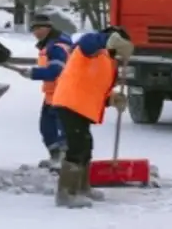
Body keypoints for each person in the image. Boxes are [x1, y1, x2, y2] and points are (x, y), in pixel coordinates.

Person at [50, 27, 133, 208]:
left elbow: (96, 87)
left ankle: (82, 188)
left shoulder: (109, 61)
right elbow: (88, 42)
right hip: (70, 102)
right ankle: (66, 193)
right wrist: (109, 38)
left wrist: (113, 99)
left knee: (86, 146)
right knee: (77, 147)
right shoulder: (92, 49)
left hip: (82, 106)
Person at [11, 14, 73, 170]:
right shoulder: (48, 45)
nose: (36, 32)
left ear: (49, 28)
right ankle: (55, 156)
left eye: (40, 28)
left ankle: (65, 159)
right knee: (47, 128)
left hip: (64, 94)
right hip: (52, 94)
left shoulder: (58, 47)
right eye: (34, 29)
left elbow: (55, 71)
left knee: (63, 128)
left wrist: (33, 73)